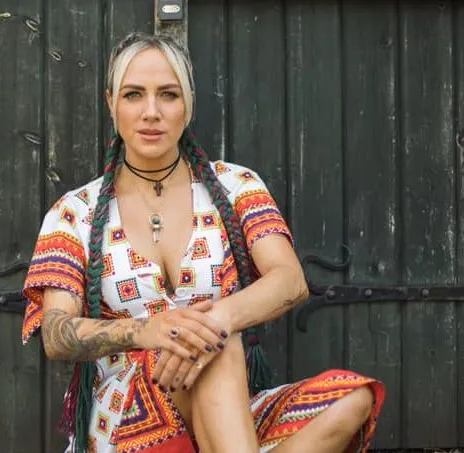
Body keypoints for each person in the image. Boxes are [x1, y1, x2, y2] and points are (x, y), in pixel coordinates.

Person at [21, 32, 385, 453]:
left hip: (224, 405)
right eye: (134, 95)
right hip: (127, 417)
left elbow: (289, 280)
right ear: (111, 103)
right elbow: (56, 334)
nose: (152, 112)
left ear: (189, 103)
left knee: (351, 400)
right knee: (215, 348)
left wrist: (216, 321)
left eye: (168, 95)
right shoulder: (75, 212)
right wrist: (148, 331)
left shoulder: (236, 185)